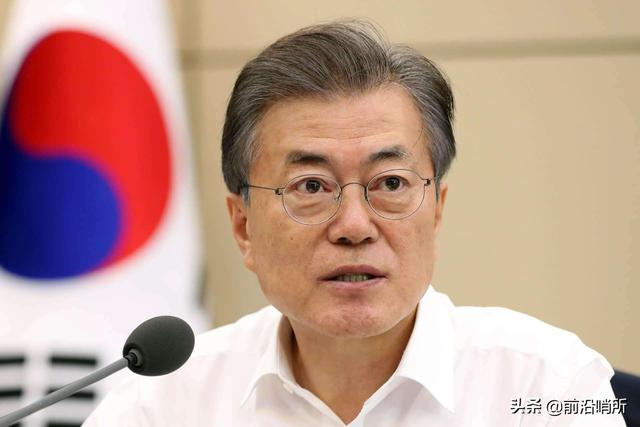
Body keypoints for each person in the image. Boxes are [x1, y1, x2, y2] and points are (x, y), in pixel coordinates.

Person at [83, 20, 625, 426]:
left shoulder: (546, 384)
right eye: (310, 187)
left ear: (436, 209)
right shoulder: (160, 403)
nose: (354, 225)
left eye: (390, 183)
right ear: (244, 227)